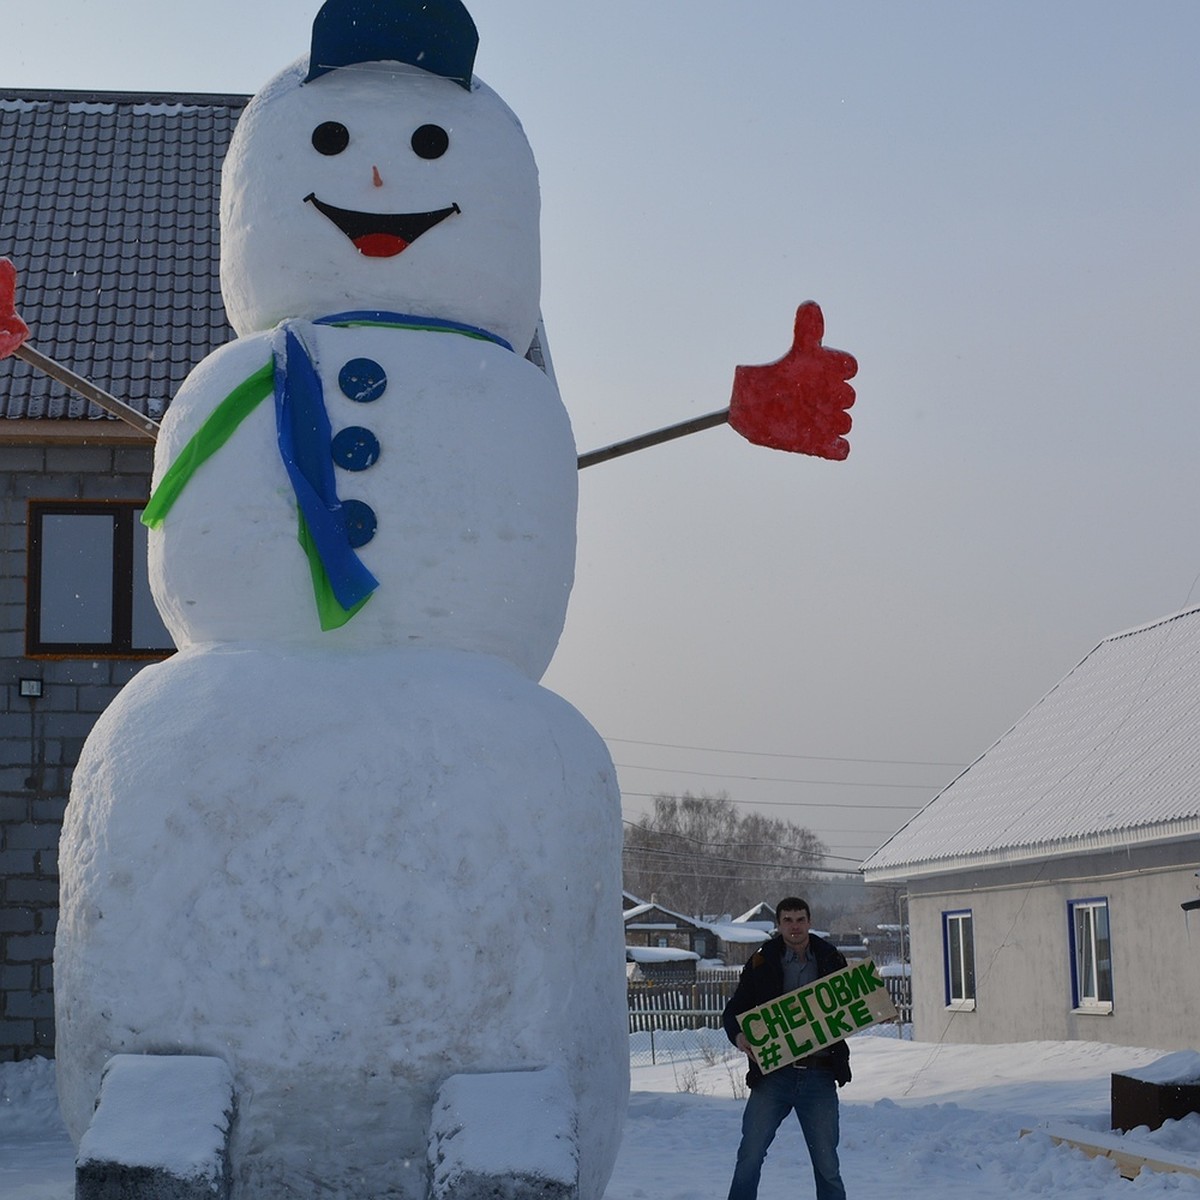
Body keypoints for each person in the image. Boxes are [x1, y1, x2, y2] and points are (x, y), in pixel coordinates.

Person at [723, 896, 850, 1200]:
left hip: (819, 1075)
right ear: (778, 924)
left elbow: (851, 1005)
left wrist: (875, 1010)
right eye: (788, 920)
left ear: (809, 922)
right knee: (749, 1156)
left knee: (827, 1165)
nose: (795, 926)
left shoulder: (831, 958)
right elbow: (734, 1011)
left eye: (800, 919)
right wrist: (740, 1037)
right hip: (773, 1075)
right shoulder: (761, 962)